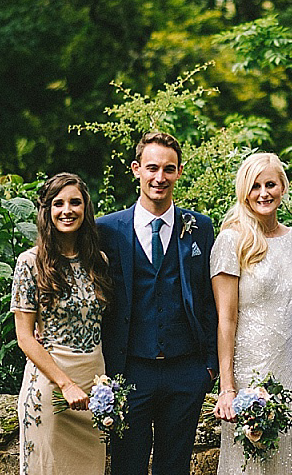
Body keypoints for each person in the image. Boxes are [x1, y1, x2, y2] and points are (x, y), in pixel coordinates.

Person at [97, 132, 217, 475]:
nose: (159, 178)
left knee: (175, 467)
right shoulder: (107, 230)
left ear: (179, 172)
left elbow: (209, 300)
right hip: (129, 369)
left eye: (168, 169)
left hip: (185, 371)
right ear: (136, 169)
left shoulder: (199, 228)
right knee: (126, 465)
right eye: (152, 168)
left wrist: (208, 367)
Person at [210, 153, 292, 474]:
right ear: (244, 191)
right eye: (255, 186)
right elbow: (226, 320)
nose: (264, 192)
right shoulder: (232, 241)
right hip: (248, 370)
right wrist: (228, 388)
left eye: (271, 184)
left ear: (283, 187)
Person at [11, 172, 113, 475]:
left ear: (86, 208)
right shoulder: (30, 263)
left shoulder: (99, 262)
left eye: (75, 202)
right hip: (51, 387)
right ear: (47, 210)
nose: (67, 210)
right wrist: (65, 384)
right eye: (58, 203)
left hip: (94, 391)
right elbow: (25, 338)